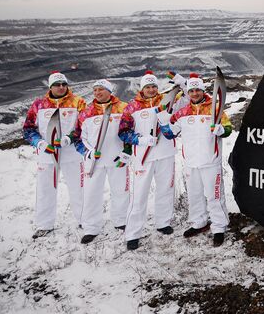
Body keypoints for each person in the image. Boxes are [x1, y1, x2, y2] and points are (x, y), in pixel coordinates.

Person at [160, 73, 232, 246]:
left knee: (215, 196)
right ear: (189, 92)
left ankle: (219, 227)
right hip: (191, 162)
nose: (194, 93)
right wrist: (163, 123)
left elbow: (229, 128)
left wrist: (221, 130)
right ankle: (199, 223)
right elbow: (170, 134)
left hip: (210, 161)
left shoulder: (215, 109)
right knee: (195, 195)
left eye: (197, 90)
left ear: (202, 90)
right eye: (191, 91)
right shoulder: (182, 113)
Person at [119, 70, 185, 250]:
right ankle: (133, 233)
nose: (151, 89)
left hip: (165, 154)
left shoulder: (166, 102)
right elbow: (123, 132)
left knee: (165, 189)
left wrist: (184, 84)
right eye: (147, 87)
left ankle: (163, 222)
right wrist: (139, 140)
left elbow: (188, 101)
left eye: (154, 86)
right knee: (139, 194)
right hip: (143, 157)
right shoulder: (132, 107)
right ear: (142, 88)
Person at [22, 71, 87, 239]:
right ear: (50, 87)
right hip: (47, 155)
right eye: (57, 85)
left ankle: (84, 220)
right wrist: (40, 143)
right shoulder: (39, 105)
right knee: (45, 190)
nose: (61, 87)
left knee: (78, 188)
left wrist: (69, 138)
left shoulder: (78, 102)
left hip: (71, 153)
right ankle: (44, 224)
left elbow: (83, 127)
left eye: (64, 84)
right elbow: (28, 129)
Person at [70, 79, 129, 244]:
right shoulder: (86, 112)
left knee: (121, 191)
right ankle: (91, 227)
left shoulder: (123, 108)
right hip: (93, 161)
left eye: (101, 89)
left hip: (117, 158)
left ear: (110, 91)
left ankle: (121, 220)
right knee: (91, 194)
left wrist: (127, 152)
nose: (97, 93)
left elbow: (131, 130)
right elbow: (77, 138)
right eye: (95, 90)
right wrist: (87, 153)